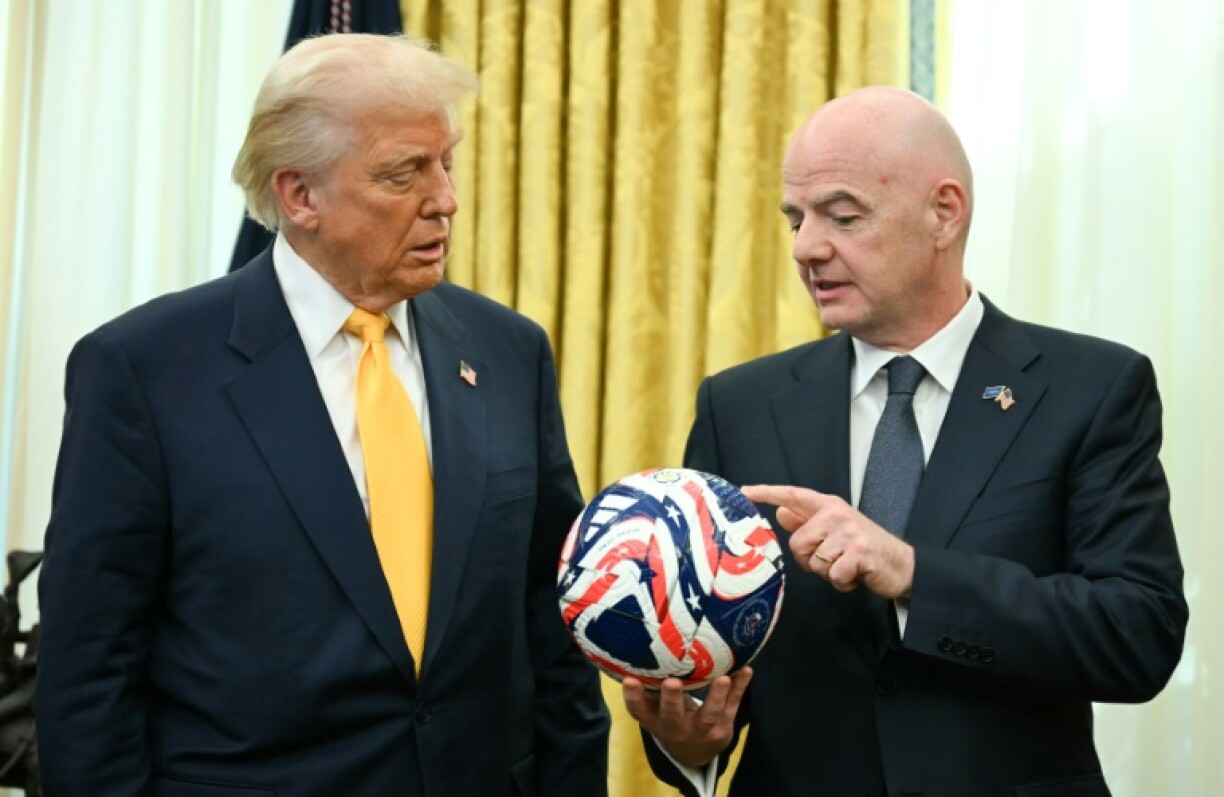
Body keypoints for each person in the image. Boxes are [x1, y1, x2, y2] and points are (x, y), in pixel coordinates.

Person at [35, 33, 609, 796]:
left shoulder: (508, 353)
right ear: (299, 195)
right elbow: (89, 677)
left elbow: (552, 622)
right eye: (404, 173)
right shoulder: (144, 370)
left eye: (448, 160)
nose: (446, 198)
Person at [622, 86, 1188, 796]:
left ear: (943, 213)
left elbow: (1139, 635)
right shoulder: (741, 405)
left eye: (842, 216)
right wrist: (686, 734)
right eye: (796, 218)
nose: (805, 248)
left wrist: (916, 573)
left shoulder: (1090, 389)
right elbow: (704, 645)